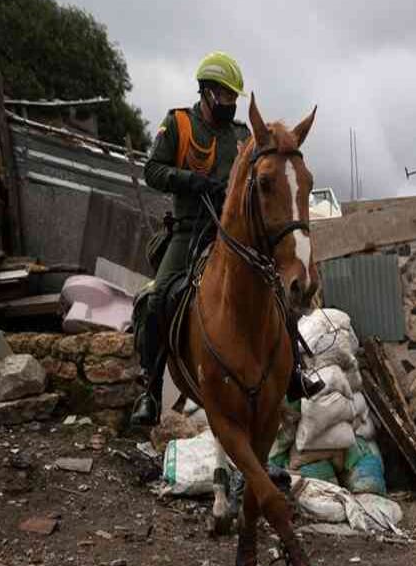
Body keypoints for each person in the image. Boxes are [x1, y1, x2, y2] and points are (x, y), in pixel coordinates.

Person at [130, 51, 322, 428]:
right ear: (205, 92)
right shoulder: (179, 124)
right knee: (158, 298)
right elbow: (151, 170)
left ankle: (294, 372)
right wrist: (190, 180)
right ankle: (150, 390)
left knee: (276, 291)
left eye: (235, 97)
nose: (230, 103)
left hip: (232, 232)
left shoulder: (240, 136)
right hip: (189, 229)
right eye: (224, 96)